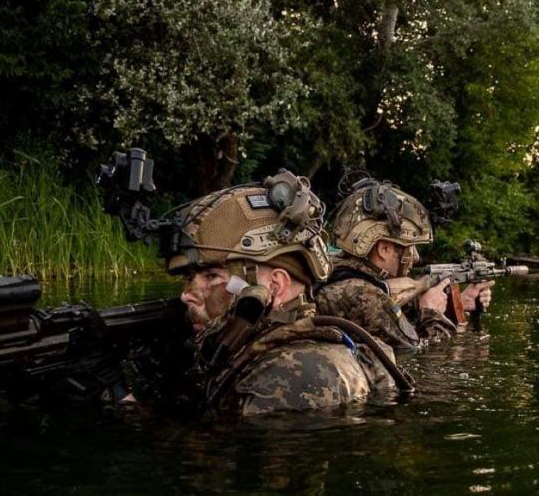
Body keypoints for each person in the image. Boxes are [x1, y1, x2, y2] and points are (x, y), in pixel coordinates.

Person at [161, 170, 401, 416]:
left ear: (275, 287)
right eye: (189, 278)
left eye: (211, 276)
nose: (186, 295)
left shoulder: (292, 371)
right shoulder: (253, 350)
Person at [315, 178, 493, 352]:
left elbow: (398, 317)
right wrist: (432, 312)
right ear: (384, 249)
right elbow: (425, 353)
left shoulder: (340, 271)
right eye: (411, 247)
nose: (416, 257)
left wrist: (460, 303)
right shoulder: (365, 297)